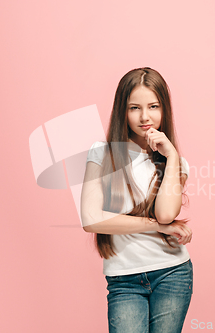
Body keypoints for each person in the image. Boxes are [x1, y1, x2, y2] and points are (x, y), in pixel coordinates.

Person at [80, 67, 193, 333]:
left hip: (172, 273)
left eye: (153, 106)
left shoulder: (177, 164)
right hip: (124, 279)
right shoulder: (102, 153)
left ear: (164, 109)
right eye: (134, 108)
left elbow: (166, 214)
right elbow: (91, 219)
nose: (145, 117)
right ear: (123, 110)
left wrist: (173, 157)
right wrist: (156, 227)